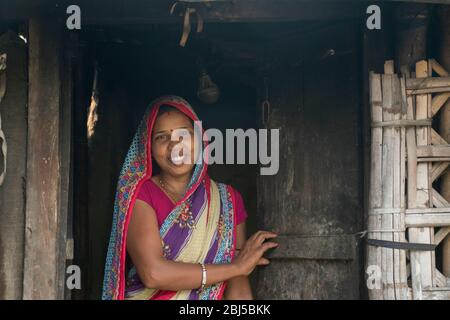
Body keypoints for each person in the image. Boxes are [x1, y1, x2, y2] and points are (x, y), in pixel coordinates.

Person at [102, 95, 277, 300]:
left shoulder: (228, 200)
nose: (175, 146)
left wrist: (238, 269)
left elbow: (238, 281)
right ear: (148, 147)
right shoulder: (140, 194)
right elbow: (153, 274)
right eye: (162, 137)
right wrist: (236, 267)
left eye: (183, 134)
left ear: (200, 138)